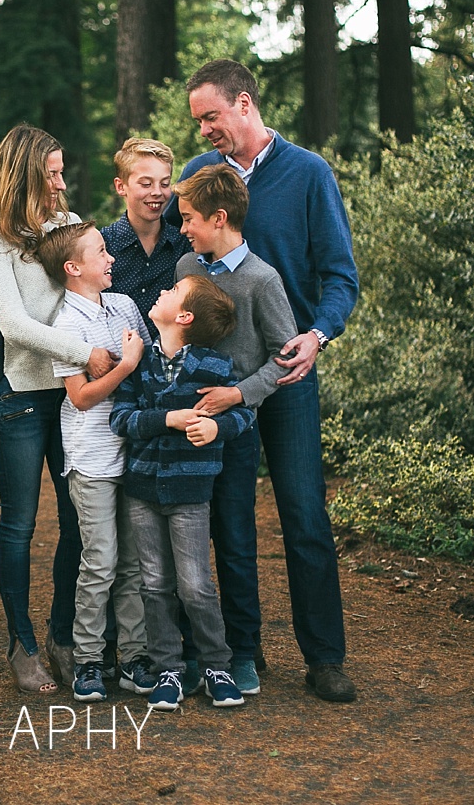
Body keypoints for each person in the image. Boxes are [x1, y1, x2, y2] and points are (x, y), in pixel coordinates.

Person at [174, 59, 360, 702]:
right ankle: (240, 655)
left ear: (244, 104)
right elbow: (163, 254)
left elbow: (341, 275)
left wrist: (319, 334)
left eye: (211, 116)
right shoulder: (200, 180)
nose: (203, 130)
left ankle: (325, 658)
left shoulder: (308, 173)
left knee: (305, 513)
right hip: (214, 385)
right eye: (197, 120)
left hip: (286, 376)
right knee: (228, 521)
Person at [0, 124, 115, 693]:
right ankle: (21, 643)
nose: (60, 182)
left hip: (74, 398)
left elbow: (83, 289)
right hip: (21, 401)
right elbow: (16, 325)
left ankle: (62, 635)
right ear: (24, 173)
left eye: (60, 171)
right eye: (50, 172)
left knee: (78, 516)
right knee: (21, 524)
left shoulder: (65, 226)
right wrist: (87, 353)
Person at [171, 164, 298, 696]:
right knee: (186, 543)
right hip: (183, 433)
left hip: (236, 434)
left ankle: (244, 651)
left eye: (190, 220)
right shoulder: (184, 266)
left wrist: (238, 394)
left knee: (237, 542)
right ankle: (197, 650)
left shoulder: (263, 280)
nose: (182, 230)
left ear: (219, 218)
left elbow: (286, 356)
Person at [109, 275, 256, 712]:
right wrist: (167, 419)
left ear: (184, 316)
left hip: (192, 490)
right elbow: (121, 419)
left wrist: (215, 426)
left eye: (172, 292)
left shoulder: (214, 367)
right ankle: (168, 668)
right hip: (142, 489)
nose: (161, 292)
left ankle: (216, 665)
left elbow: (242, 418)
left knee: (195, 585)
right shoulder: (139, 363)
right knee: (154, 583)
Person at [39, 222, 148, 702]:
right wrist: (123, 366)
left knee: (133, 563)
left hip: (134, 454)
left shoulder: (123, 306)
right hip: (92, 459)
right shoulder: (67, 324)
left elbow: (148, 357)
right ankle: (88, 660)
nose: (111, 259)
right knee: (100, 560)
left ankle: (135, 657)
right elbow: (81, 397)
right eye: (101, 252)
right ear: (73, 268)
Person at [104, 138, 193, 336]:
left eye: (164, 184)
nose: (157, 193)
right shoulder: (103, 246)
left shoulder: (184, 245)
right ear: (120, 187)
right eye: (146, 184)